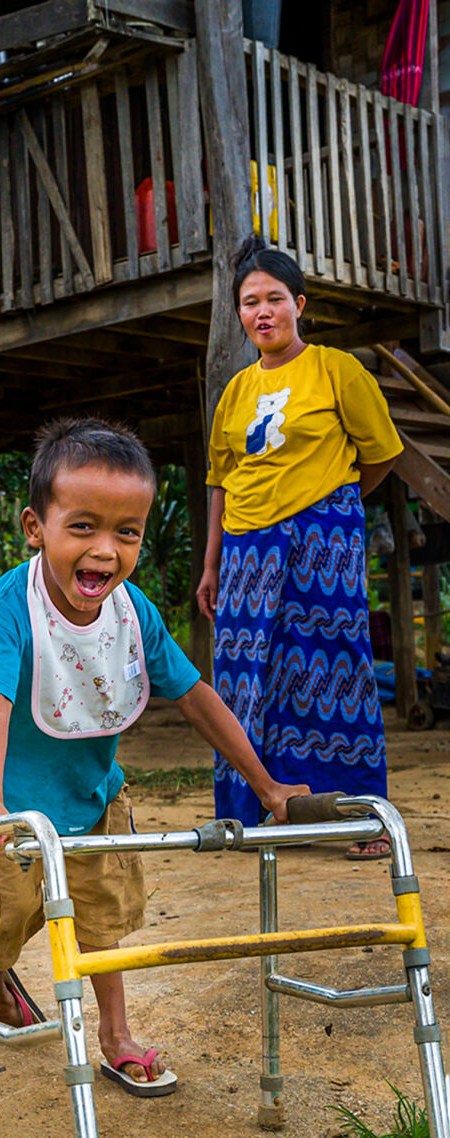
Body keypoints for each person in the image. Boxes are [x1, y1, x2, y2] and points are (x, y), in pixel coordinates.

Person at [0, 416, 310, 1098]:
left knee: (102, 914)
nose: (104, 550)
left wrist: (268, 785)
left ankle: (115, 1035)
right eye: (82, 527)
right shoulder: (8, 609)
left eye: (126, 532)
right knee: (13, 915)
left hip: (90, 788)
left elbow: (194, 694)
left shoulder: (132, 611)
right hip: (3, 796)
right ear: (35, 528)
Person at [196, 236, 403, 860]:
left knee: (333, 668)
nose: (263, 312)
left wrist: (330, 507)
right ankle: (254, 813)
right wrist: (211, 562)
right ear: (240, 314)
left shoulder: (338, 369)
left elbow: (382, 456)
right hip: (245, 555)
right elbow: (220, 481)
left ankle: (360, 816)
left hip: (322, 544)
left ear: (299, 304)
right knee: (245, 676)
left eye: (275, 300)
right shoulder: (233, 392)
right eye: (250, 302)